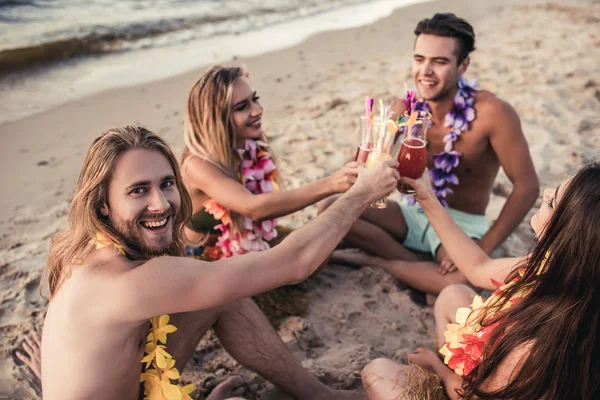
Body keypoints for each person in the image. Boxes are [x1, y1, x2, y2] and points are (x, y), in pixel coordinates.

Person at [36, 125, 398, 400]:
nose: (161, 204)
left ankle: (317, 395)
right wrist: (360, 195)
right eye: (138, 190)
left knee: (224, 293)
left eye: (166, 184)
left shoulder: (82, 248)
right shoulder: (127, 282)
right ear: (102, 204)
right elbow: (295, 263)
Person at [320, 13, 539, 296]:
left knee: (461, 282)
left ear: (463, 65)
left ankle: (377, 260)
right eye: (419, 59)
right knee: (331, 208)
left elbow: (527, 186)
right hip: (414, 212)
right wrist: (377, 150)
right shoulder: (405, 109)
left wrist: (483, 249)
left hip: (461, 222)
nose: (425, 71)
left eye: (439, 61)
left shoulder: (494, 113)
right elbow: (361, 168)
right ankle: (410, 264)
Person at [361, 162, 600, 400]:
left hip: (481, 390)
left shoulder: (531, 348)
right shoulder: (565, 268)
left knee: (377, 372)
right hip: (502, 376)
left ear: (569, 235)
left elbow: (472, 397)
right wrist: (426, 196)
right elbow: (478, 267)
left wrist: (439, 370)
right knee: (452, 294)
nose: (546, 193)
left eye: (552, 202)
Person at [181, 65, 358, 260]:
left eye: (254, 99)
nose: (257, 111)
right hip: (205, 258)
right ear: (215, 118)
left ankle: (347, 256)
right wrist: (333, 183)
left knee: (315, 244)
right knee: (305, 255)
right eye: (242, 107)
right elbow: (255, 208)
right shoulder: (197, 164)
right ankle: (348, 257)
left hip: (251, 243)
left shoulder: (250, 144)